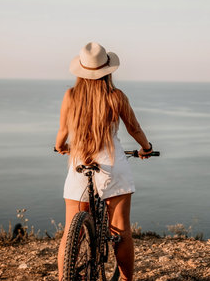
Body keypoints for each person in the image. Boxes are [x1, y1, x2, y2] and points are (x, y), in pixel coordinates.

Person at [55, 42, 153, 281]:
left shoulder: (71, 95)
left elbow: (62, 132)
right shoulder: (115, 96)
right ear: (107, 70)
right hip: (111, 163)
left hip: (80, 162)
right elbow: (134, 128)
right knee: (121, 230)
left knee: (70, 233)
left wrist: (61, 147)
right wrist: (146, 148)